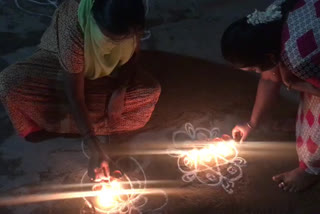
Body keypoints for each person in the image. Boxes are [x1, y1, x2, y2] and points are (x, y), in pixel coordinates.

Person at [0, 0, 161, 181]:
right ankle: (85, 124)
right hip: (61, 70)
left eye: (126, 38)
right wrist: (93, 146)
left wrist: (120, 91)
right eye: (111, 39)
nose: (117, 45)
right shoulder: (73, 25)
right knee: (9, 84)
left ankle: (69, 124)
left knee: (149, 93)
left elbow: (132, 57)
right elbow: (75, 95)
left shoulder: (130, 15)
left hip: (107, 76)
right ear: (94, 18)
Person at [221, 0, 320, 192]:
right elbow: (269, 78)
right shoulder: (272, 19)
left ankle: (310, 170)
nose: (255, 72)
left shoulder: (299, 59)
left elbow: (274, 76)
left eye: (252, 68)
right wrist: (252, 123)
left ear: (270, 57)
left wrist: (294, 83)